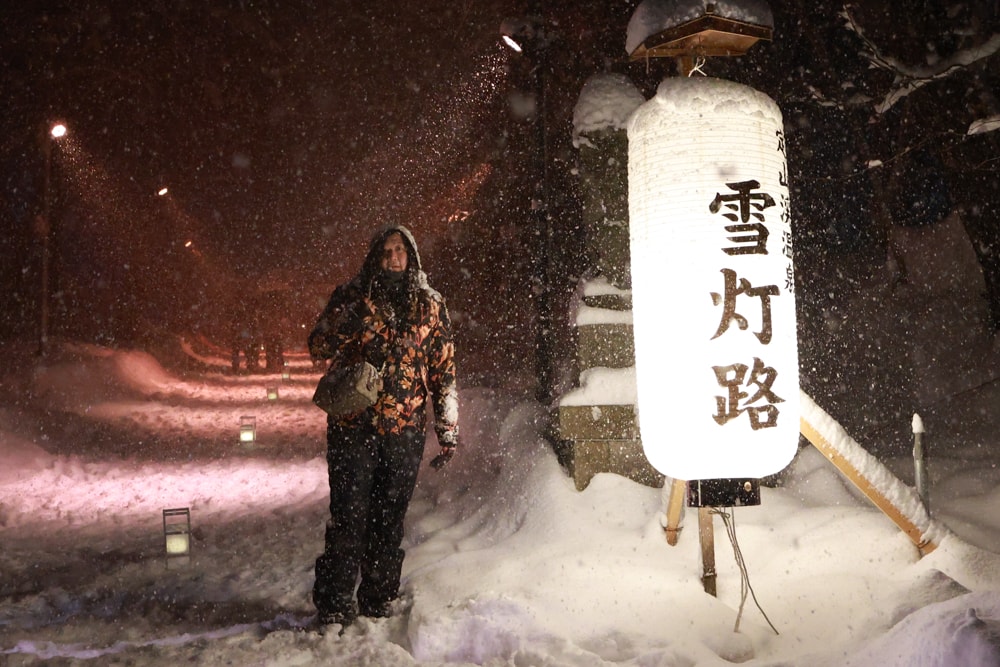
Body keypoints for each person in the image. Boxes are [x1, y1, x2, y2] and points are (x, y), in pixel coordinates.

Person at [307, 225, 459, 630]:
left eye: (400, 251)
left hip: (404, 429)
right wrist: (349, 320)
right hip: (352, 425)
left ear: (411, 257)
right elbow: (317, 346)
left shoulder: (430, 304)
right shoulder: (352, 296)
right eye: (386, 251)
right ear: (374, 256)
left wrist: (447, 426)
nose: (393, 257)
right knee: (349, 516)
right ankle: (335, 603)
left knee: (388, 518)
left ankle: (377, 599)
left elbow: (444, 370)